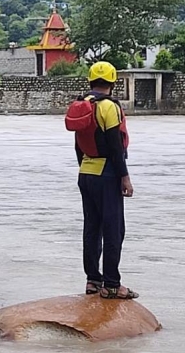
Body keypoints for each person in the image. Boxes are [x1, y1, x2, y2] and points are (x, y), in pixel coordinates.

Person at [66, 61, 137, 300]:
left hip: (86, 172)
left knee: (92, 228)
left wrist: (84, 169)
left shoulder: (82, 105)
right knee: (114, 230)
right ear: (113, 82)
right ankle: (113, 285)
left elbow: (78, 144)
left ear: (90, 81)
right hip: (107, 174)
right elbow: (115, 146)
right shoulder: (108, 107)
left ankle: (93, 281)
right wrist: (124, 177)